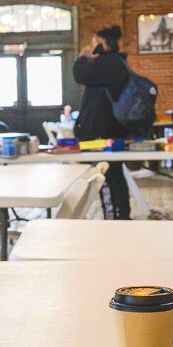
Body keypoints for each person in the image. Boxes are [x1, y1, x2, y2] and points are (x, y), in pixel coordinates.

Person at [72, 25, 132, 219]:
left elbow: (79, 74)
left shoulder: (109, 63)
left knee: (104, 178)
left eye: (94, 43)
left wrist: (83, 56)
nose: (91, 47)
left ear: (103, 45)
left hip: (103, 134)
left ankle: (115, 220)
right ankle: (118, 218)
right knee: (112, 177)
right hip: (106, 132)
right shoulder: (113, 63)